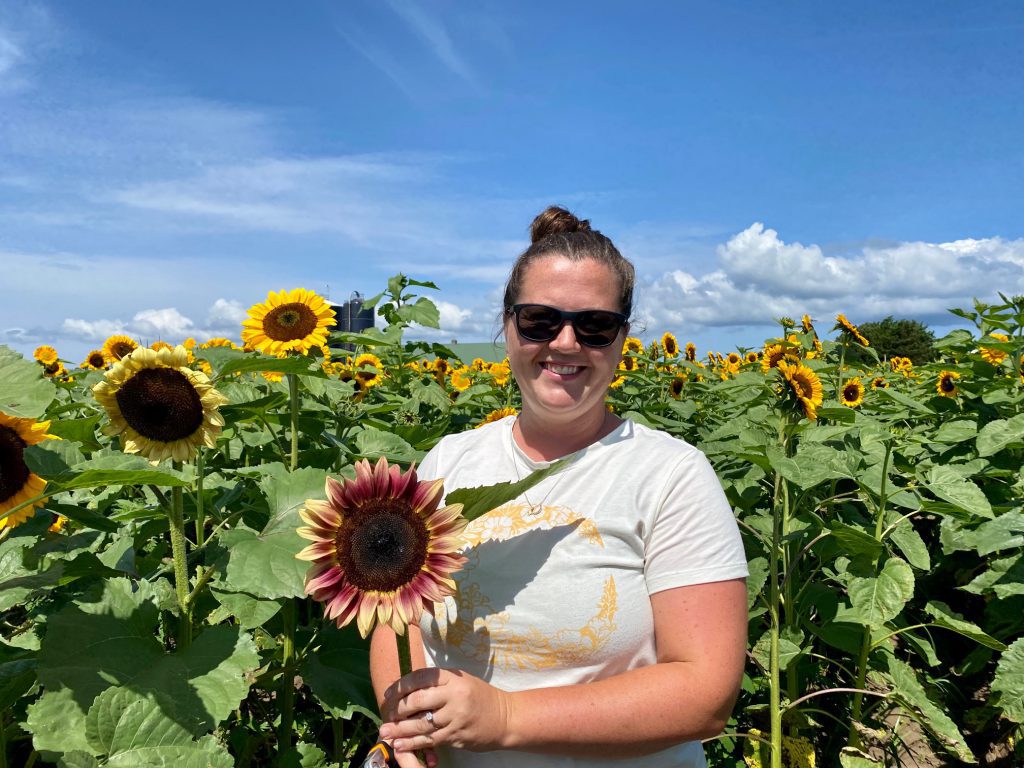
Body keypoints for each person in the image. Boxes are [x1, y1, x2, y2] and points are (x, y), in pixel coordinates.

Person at [370, 205, 749, 767]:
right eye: (540, 321)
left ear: (623, 339)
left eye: (594, 326)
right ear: (507, 326)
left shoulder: (670, 474)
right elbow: (396, 617)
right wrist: (409, 732)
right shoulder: (451, 460)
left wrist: (506, 718)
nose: (566, 343)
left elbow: (704, 693)